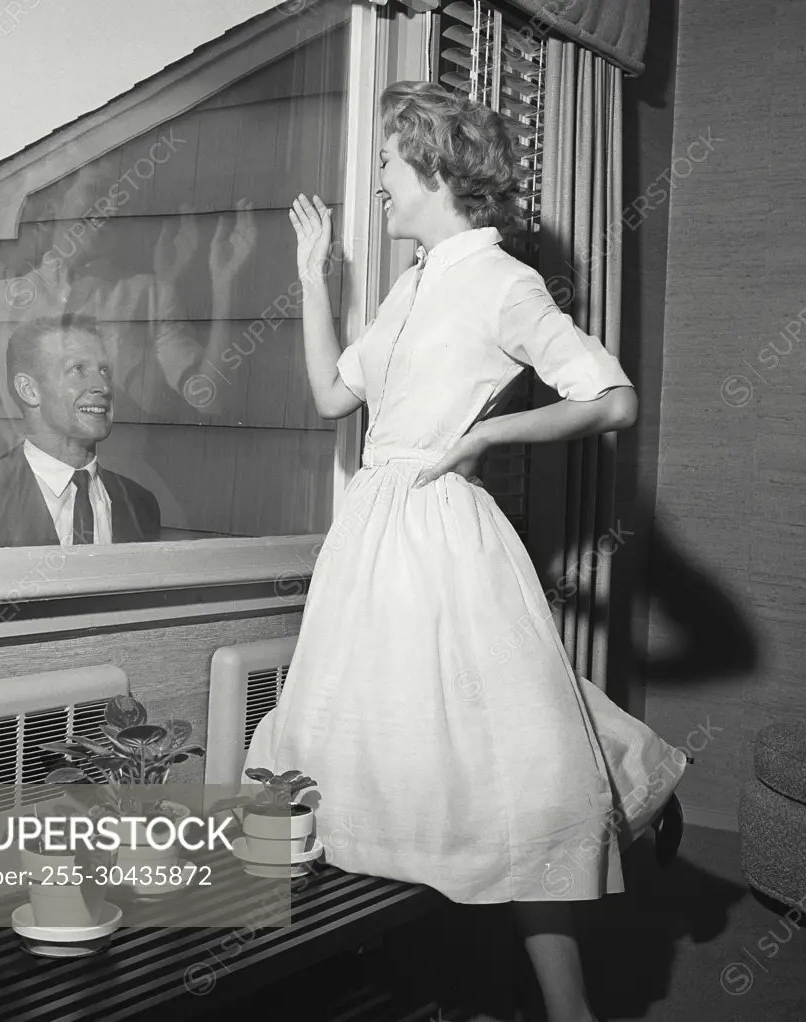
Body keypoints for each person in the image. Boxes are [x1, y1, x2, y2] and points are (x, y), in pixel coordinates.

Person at [243, 82, 688, 1022]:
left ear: (435, 169)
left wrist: (487, 440)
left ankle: (567, 1012)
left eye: (388, 169)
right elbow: (332, 396)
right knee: (367, 766)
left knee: (503, 778)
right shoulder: (413, 283)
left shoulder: (502, 282)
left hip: (443, 538)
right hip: (369, 539)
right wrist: (313, 274)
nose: (379, 189)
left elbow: (611, 399)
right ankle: (375, 985)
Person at [0, 315, 160, 550]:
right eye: (78, 370)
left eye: (104, 371)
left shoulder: (139, 505)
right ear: (29, 390)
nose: (102, 386)